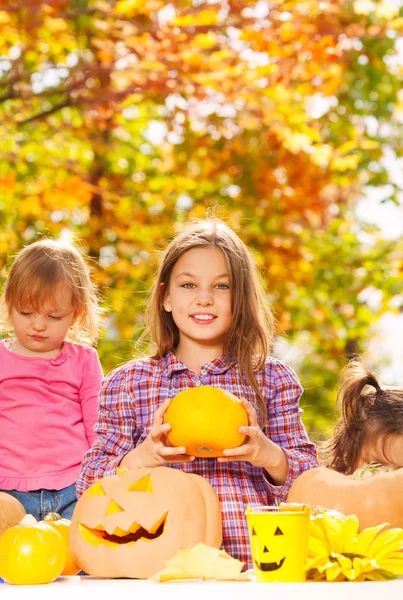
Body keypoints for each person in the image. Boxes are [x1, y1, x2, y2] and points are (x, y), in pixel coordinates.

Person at [77, 218, 319, 568]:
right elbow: (88, 483)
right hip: (158, 571)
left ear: (241, 300)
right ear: (166, 298)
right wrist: (145, 456)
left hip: (252, 569)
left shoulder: (271, 379)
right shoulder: (127, 384)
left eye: (222, 287)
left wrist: (267, 454)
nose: (204, 298)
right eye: (188, 285)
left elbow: (313, 485)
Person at [0, 239, 104, 521]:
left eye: (53, 316)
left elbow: (98, 426)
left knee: (83, 556)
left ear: (75, 314)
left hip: (74, 487)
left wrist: (100, 481)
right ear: (9, 305)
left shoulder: (84, 360)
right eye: (27, 312)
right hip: (8, 491)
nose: (38, 325)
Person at [321, 360, 403, 476]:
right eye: (376, 468)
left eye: (401, 473)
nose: (389, 481)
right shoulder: (328, 488)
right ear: (346, 456)